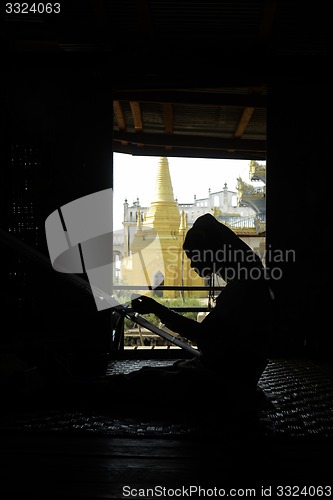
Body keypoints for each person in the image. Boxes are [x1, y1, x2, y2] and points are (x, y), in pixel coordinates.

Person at [39, 213, 275, 413]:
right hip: (227, 372)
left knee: (146, 382)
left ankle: (74, 388)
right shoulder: (246, 280)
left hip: (228, 381)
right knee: (147, 376)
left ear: (213, 251)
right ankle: (79, 385)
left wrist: (156, 309)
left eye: (195, 258)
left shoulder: (245, 286)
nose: (193, 266)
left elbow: (203, 334)